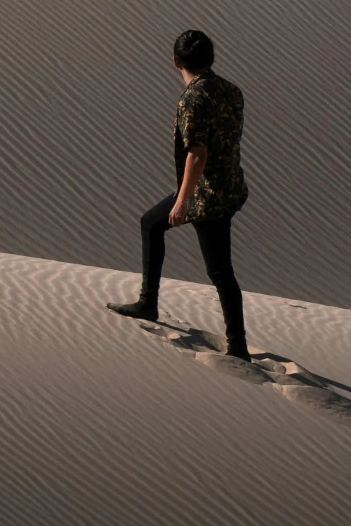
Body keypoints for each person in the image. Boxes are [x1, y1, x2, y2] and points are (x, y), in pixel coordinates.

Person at [106, 28, 250, 358]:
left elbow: (197, 154)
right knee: (152, 224)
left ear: (175, 62)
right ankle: (148, 302)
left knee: (219, 271)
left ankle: (238, 346)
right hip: (230, 186)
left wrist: (184, 201)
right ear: (211, 59)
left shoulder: (192, 100)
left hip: (207, 195)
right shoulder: (231, 90)